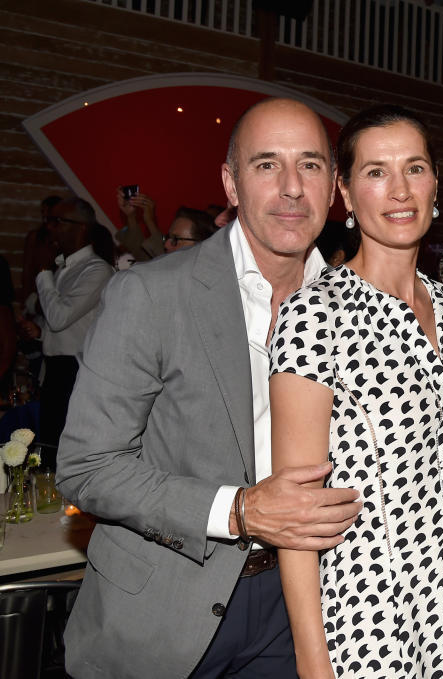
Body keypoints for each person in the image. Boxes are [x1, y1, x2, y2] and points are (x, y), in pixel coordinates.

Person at [55, 98, 364, 679]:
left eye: (311, 165)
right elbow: (86, 467)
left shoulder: (359, 308)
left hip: (309, 606)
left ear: (334, 187)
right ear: (231, 183)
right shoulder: (153, 294)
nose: (292, 187)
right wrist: (240, 510)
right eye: (267, 165)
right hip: (164, 614)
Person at [269, 105, 443, 679]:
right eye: (375, 172)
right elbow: (295, 518)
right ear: (344, 192)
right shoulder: (315, 316)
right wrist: (312, 663)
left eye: (414, 168)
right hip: (369, 614)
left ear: (436, 184)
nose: (400, 190)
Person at [33, 198, 115, 461]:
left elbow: (59, 317)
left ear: (81, 228)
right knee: (47, 446)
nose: (50, 228)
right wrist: (38, 333)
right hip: (55, 368)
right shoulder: (64, 267)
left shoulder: (96, 270)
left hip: (75, 370)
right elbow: (58, 327)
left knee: (63, 453)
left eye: (57, 221)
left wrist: (44, 272)